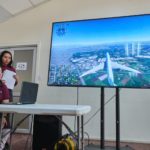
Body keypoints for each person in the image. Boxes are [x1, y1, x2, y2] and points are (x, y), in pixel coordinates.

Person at [0, 50, 19, 150]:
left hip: (9, 93)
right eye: (5, 57)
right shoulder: (0, 68)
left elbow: (14, 84)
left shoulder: (12, 69)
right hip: (0, 93)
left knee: (7, 119)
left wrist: (17, 79)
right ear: (1, 57)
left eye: (9, 58)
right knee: (1, 118)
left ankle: (3, 142)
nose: (7, 59)